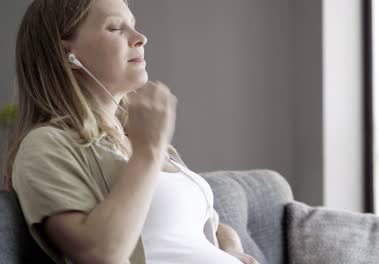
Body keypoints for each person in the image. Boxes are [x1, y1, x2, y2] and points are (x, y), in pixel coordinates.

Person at [2, 0, 259, 263]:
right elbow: (99, 252)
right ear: (66, 53)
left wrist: (231, 247)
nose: (140, 38)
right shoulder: (46, 145)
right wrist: (148, 151)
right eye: (115, 27)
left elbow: (206, 222)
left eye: (133, 26)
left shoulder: (142, 139)